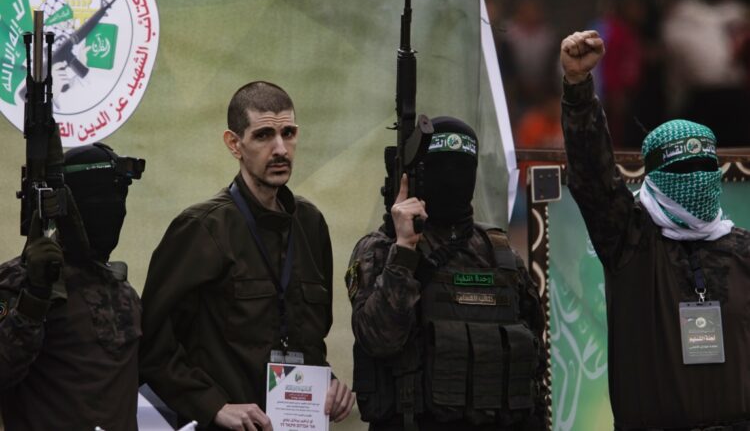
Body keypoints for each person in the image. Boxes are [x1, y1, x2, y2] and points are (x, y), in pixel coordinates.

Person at [560, 30, 750, 430]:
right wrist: (578, 89)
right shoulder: (630, 241)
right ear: (656, 177)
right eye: (683, 170)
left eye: (704, 169)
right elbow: (593, 179)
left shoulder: (741, 251)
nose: (696, 181)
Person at [140, 81, 354, 430]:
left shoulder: (311, 225)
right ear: (234, 144)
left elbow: (307, 338)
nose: (281, 148)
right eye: (264, 135)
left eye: (289, 132)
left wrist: (327, 384)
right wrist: (214, 406)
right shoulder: (202, 228)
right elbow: (152, 344)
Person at [346, 117, 547, 431]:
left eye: (462, 167)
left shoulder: (500, 254)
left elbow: (531, 360)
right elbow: (378, 339)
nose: (452, 178)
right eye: (441, 167)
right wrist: (404, 251)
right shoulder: (381, 249)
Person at [0, 142, 146, 430]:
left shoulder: (121, 291)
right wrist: (34, 300)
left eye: (118, 197)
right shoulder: (19, 282)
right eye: (98, 199)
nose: (115, 210)